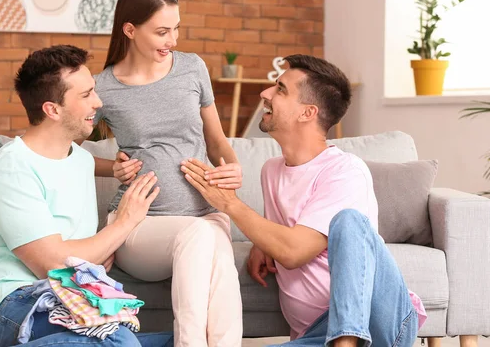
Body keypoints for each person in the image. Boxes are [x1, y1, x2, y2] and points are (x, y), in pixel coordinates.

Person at [181, 55, 425, 347]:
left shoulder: (345, 170)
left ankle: (346, 342)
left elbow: (293, 251)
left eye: (280, 89)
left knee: (349, 221)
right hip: (315, 336)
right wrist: (262, 243)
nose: (265, 94)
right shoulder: (272, 170)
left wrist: (230, 204)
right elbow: (291, 231)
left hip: (378, 325)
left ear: (307, 113)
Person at [0, 45, 173, 347]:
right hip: (14, 307)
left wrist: (120, 170)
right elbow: (53, 265)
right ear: (52, 109)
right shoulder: (11, 168)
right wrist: (124, 223)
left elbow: (77, 257)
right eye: (86, 95)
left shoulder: (80, 159)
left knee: (189, 340)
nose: (98, 101)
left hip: (73, 298)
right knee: (121, 343)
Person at [88, 0, 243, 346]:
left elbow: (217, 141)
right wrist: (110, 167)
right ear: (130, 29)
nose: (172, 39)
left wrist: (231, 169)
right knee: (203, 236)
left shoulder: (192, 68)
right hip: (140, 228)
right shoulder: (102, 87)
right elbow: (62, 148)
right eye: (161, 31)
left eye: (176, 28)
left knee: (219, 262)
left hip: (207, 215)